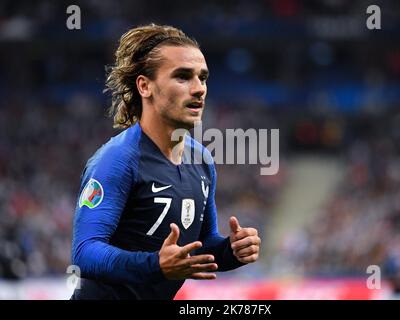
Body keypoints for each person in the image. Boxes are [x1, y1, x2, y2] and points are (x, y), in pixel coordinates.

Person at [70, 23, 261, 300]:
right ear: (145, 86)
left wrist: (231, 250)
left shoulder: (202, 161)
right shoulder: (117, 160)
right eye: (183, 77)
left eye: (203, 77)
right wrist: (155, 264)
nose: (199, 89)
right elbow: (85, 252)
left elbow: (200, 246)